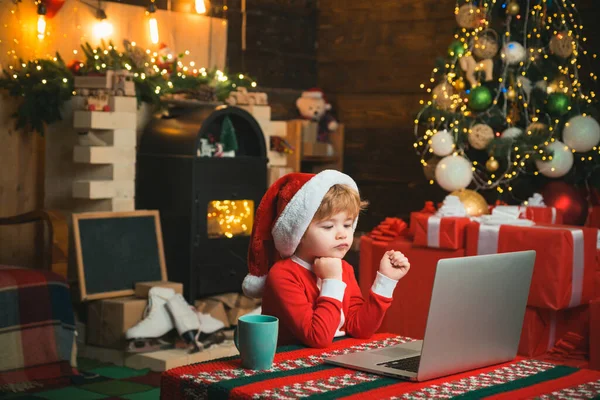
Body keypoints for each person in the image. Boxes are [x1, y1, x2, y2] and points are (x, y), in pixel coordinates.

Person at [242, 170, 410, 348]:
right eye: (329, 226)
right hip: (292, 362)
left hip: (332, 358)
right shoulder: (283, 275)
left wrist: (386, 280)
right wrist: (331, 281)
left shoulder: (344, 268)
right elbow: (317, 338)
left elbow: (360, 329)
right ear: (298, 233)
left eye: (347, 224)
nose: (342, 234)